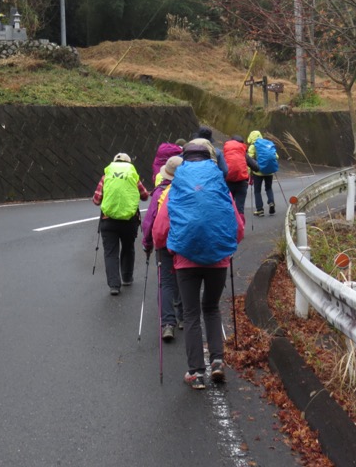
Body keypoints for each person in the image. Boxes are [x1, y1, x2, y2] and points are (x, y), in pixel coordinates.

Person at [152, 142, 245, 389]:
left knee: (191, 314)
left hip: (185, 260)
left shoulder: (176, 188)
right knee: (212, 309)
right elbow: (238, 226)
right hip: (218, 260)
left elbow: (160, 229)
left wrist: (162, 247)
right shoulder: (219, 186)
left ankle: (196, 373)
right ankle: (217, 361)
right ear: (210, 160)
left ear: (184, 160)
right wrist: (227, 246)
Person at [92, 153, 150, 295]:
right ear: (129, 163)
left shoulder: (107, 175)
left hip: (108, 220)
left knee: (110, 252)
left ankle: (114, 285)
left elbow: (97, 199)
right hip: (129, 221)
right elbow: (145, 196)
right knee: (128, 248)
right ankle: (127, 278)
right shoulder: (132, 175)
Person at [141, 155, 184, 341]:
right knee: (183, 279)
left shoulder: (159, 192)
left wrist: (147, 244)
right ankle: (184, 318)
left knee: (165, 282)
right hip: (185, 242)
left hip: (164, 241)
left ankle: (168, 323)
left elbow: (150, 221)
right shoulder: (190, 190)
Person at [248, 130, 277, 217]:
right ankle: (271, 202)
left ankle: (260, 210)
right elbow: (276, 156)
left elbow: (249, 160)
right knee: (268, 188)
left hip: (258, 172)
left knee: (257, 191)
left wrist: (249, 173)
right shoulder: (267, 144)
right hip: (269, 171)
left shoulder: (253, 147)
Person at [222, 135, 251, 220]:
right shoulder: (243, 152)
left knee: (228, 204)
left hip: (228, 181)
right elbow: (253, 164)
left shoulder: (226, 151)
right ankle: (240, 227)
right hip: (241, 182)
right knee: (239, 207)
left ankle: (227, 225)